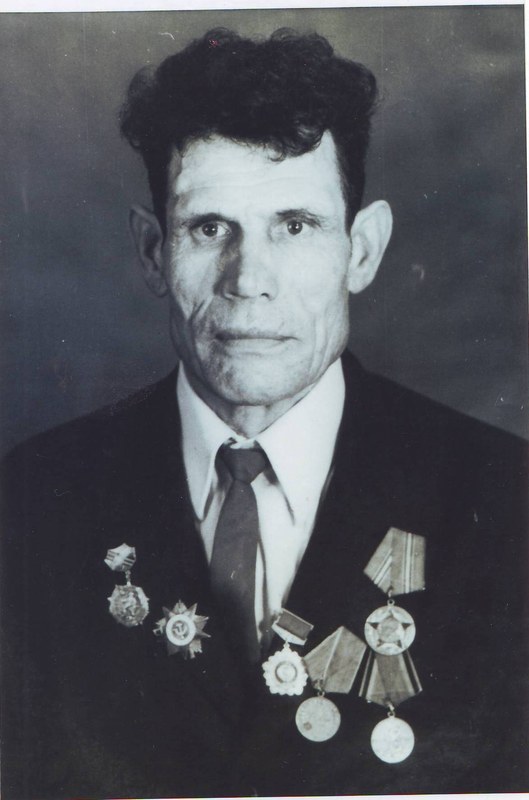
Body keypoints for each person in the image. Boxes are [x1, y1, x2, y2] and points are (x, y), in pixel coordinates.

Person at [1, 27, 527, 800]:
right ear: (152, 251)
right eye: (208, 228)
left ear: (361, 249)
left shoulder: (505, 501)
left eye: (295, 225)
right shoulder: (30, 502)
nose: (248, 279)